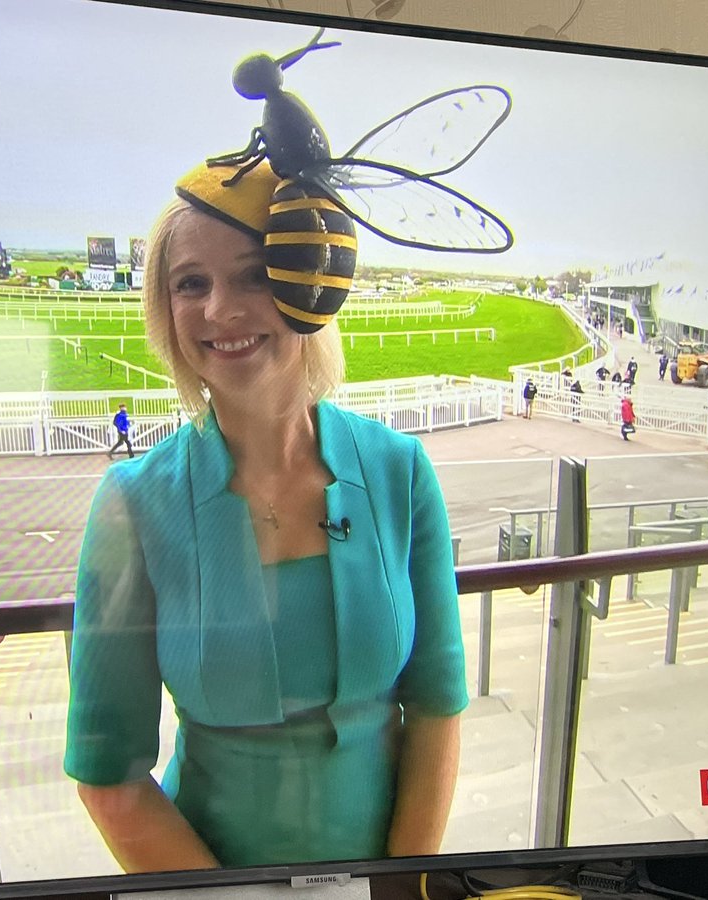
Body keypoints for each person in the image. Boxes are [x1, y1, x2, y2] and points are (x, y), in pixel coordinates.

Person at [64, 162, 467, 872]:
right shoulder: (134, 503)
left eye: (254, 275)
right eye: (192, 283)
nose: (220, 310)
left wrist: (403, 888)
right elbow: (109, 774)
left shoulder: (401, 472)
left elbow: (436, 708)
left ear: (312, 287)